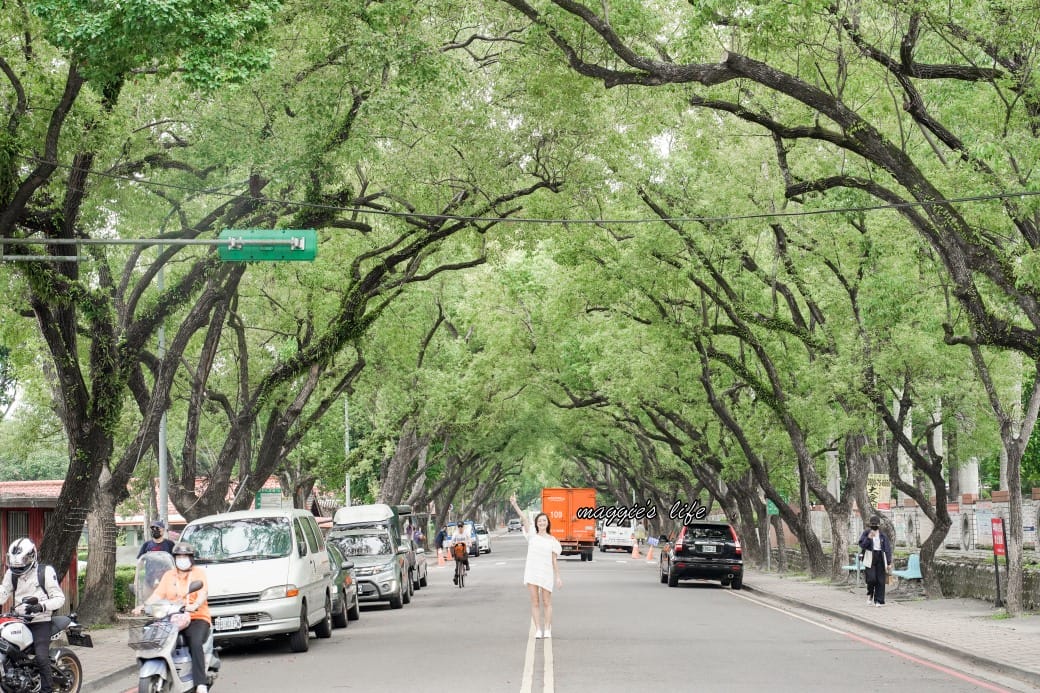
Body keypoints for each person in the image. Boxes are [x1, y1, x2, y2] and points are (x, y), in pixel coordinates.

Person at [138, 542, 212, 693]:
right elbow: (158, 594)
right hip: (172, 616)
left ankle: (200, 683)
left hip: (196, 616)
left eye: (185, 556)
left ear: (191, 558)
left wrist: (195, 604)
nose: (182, 559)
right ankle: (160, 667)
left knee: (195, 641)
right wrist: (144, 605)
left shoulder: (198, 573)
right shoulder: (169, 575)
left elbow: (203, 593)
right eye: (179, 556)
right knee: (151, 632)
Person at [0, 538, 65, 693]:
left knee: (41, 658)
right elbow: (3, 592)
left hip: (40, 621)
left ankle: (46, 690)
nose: (18, 568)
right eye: (15, 565)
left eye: (21, 564)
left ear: (32, 556)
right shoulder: (11, 573)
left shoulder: (45, 571)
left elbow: (59, 598)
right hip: (18, 619)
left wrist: (41, 606)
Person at [509, 493, 562, 639]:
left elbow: (554, 560)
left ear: (547, 523)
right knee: (535, 601)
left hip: (546, 573)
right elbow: (525, 518)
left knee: (547, 602)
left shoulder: (553, 541)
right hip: (532, 572)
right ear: (537, 523)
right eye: (540, 521)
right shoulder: (532, 534)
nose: (542, 523)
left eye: (544, 521)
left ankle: (547, 629)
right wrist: (515, 504)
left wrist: (558, 577)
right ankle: (538, 629)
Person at [858, 515, 893, 607]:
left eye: (876, 524)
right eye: (872, 524)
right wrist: (869, 538)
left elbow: (887, 549)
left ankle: (878, 600)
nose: (874, 526)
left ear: (879, 525)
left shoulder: (882, 535)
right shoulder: (866, 533)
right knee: (871, 579)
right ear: (870, 524)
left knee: (880, 580)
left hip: (880, 557)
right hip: (870, 557)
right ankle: (870, 594)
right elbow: (862, 545)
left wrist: (889, 562)